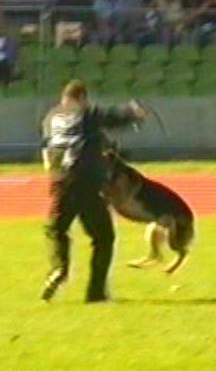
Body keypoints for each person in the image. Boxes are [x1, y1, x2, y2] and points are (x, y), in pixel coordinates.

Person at [41, 80, 147, 302]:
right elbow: (112, 117)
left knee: (56, 229)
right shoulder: (86, 114)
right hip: (86, 182)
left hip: (61, 181)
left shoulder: (51, 118)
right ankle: (96, 293)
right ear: (82, 98)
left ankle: (59, 268)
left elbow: (52, 149)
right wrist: (133, 112)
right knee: (103, 237)